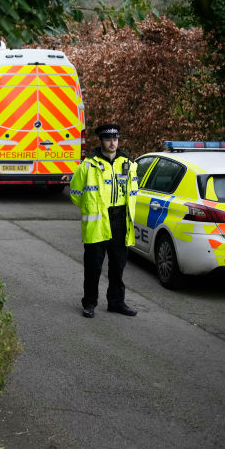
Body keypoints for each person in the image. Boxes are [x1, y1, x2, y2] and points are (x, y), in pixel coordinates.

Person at [69, 123, 140, 318]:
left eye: (115, 139)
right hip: (97, 221)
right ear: (100, 141)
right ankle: (89, 303)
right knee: (93, 266)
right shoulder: (87, 165)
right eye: (108, 139)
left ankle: (116, 302)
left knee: (118, 265)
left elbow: (133, 191)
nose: (112, 143)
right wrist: (91, 208)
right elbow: (75, 193)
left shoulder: (128, 164)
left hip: (120, 220)